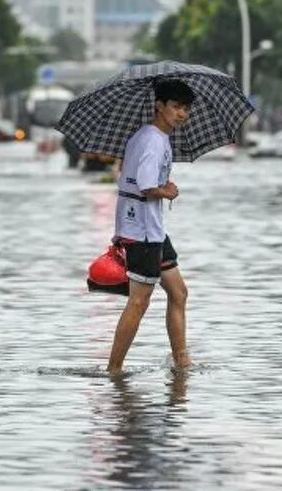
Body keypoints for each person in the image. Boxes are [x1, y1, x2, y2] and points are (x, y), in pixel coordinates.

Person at [106, 79, 195, 374]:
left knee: (178, 292)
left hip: (152, 228)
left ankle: (182, 363)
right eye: (176, 107)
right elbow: (146, 186)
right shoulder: (153, 140)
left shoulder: (152, 137)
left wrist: (162, 186)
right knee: (139, 302)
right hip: (141, 230)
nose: (182, 114)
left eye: (186, 109)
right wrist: (167, 191)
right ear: (160, 105)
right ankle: (114, 369)